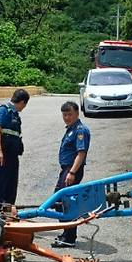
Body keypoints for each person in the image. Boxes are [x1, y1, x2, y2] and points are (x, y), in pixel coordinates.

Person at [52, 101, 91, 248]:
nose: (67, 117)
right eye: (64, 115)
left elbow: (81, 154)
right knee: (61, 202)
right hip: (67, 170)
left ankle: (69, 238)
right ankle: (66, 234)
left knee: (66, 204)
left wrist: (72, 172)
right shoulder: (71, 129)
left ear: (77, 113)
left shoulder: (80, 130)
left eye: (70, 114)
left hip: (72, 170)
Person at [0, 88, 30, 205]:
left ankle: (8, 213)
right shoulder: (3, 110)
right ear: (22, 102)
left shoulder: (15, 115)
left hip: (12, 155)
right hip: (2, 154)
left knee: (11, 186)